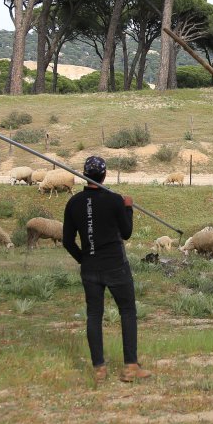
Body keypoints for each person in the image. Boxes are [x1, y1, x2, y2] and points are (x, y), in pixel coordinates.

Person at [62, 156, 150, 384]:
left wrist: (83, 259)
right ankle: (131, 367)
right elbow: (127, 232)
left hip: (90, 268)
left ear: (84, 174)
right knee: (127, 311)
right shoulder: (114, 200)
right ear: (104, 175)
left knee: (94, 315)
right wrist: (128, 208)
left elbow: (67, 241)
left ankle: (99, 369)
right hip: (116, 267)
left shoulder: (74, 203)